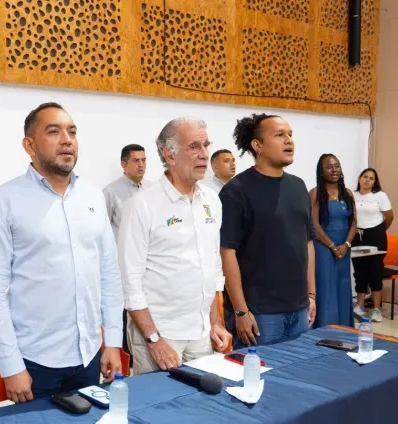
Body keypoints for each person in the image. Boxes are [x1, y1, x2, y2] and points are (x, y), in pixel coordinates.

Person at [0, 102, 123, 402]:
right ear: (29, 145)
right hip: (34, 364)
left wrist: (113, 341)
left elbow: (108, 274)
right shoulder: (5, 200)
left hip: (89, 356)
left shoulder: (93, 197)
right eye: (54, 131)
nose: (66, 139)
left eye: (72, 131)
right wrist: (10, 366)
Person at [119, 117, 231, 373]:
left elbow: (213, 266)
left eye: (206, 145)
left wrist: (215, 322)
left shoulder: (212, 200)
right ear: (169, 155)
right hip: (160, 335)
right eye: (194, 147)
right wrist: (154, 340)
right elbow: (130, 281)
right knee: (157, 410)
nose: (204, 154)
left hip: (202, 334)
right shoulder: (142, 205)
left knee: (201, 409)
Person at [220, 113, 317, 347]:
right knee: (257, 380)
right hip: (259, 313)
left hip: (299, 308)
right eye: (280, 135)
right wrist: (241, 311)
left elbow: (308, 243)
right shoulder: (236, 190)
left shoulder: (298, 185)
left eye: (290, 135)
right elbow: (227, 252)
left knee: (295, 379)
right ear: (257, 145)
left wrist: (311, 295)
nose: (289, 141)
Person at [103, 143, 150, 365]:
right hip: (122, 271)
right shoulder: (111, 192)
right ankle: (126, 363)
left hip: (149, 269)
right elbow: (101, 231)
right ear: (124, 164)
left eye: (144, 160)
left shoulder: (152, 190)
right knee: (125, 323)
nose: (141, 165)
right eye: (136, 160)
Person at [310, 154, 357, 328]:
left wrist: (346, 245)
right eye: (329, 167)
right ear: (321, 172)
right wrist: (332, 246)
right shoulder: (315, 193)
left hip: (344, 249)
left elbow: (354, 223)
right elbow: (314, 225)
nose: (334, 170)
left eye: (337, 166)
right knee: (326, 289)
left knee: (343, 288)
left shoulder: (348, 193)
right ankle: (324, 330)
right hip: (323, 249)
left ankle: (344, 329)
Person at [351, 168, 393, 321]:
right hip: (356, 236)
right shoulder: (351, 195)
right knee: (359, 273)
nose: (367, 180)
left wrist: (379, 231)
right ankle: (360, 306)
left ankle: (376, 309)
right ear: (360, 178)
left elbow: (389, 217)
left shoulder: (380, 196)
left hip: (376, 236)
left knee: (375, 273)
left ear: (375, 182)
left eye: (371, 178)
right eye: (365, 177)